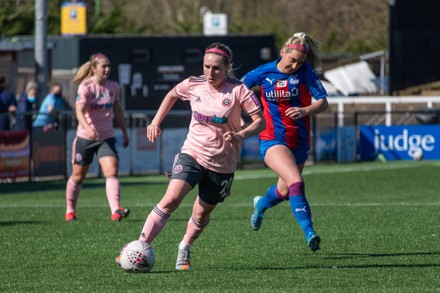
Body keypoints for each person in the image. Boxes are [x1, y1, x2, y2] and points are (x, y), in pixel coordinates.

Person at [116, 42, 265, 270]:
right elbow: (171, 95)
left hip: (223, 163)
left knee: (201, 212)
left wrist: (241, 134)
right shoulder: (194, 84)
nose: (210, 73)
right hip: (192, 152)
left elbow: (260, 122)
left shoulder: (238, 90)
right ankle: (139, 246)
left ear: (227, 67)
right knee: (171, 199)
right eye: (206, 67)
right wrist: (155, 122)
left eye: (216, 68)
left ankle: (184, 248)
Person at [241, 32, 329, 252]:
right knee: (296, 181)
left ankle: (260, 204)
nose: (295, 66)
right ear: (283, 52)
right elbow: (238, 91)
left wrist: (305, 109)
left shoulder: (306, 72)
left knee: (286, 190)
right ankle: (310, 233)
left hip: (299, 142)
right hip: (272, 139)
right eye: (292, 61)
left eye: (300, 62)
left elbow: (323, 103)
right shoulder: (262, 73)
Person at [65, 53, 130, 222]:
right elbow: (79, 111)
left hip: (106, 137)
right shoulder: (86, 86)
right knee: (78, 176)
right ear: (94, 68)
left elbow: (117, 110)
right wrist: (88, 128)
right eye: (104, 66)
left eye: (109, 66)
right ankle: (70, 210)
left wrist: (124, 131)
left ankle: (116, 209)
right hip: (85, 138)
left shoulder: (114, 87)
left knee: (112, 171)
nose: (107, 69)